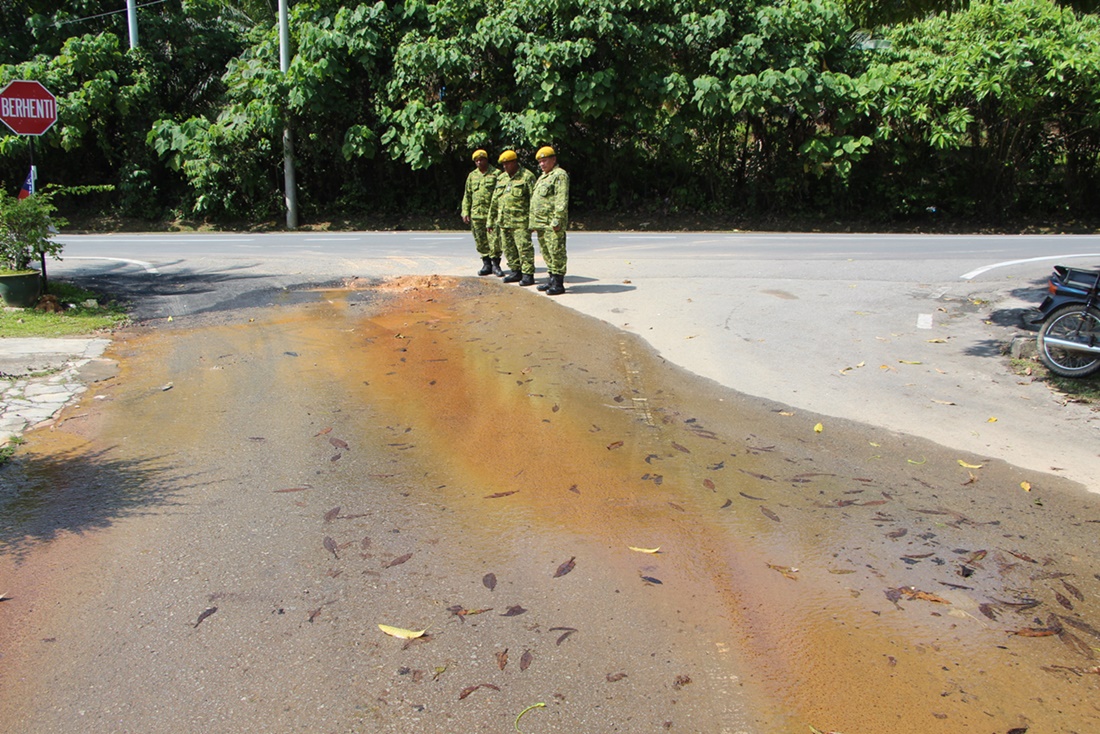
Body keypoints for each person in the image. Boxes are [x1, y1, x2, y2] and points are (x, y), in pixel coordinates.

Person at [488, 150, 538, 286]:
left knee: (524, 248)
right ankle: (516, 271)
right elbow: (495, 200)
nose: (505, 166)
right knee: (508, 248)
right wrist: (490, 220)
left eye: (507, 163)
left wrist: (534, 221)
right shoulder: (502, 178)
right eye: (503, 164)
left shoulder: (527, 176)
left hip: (521, 221)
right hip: (503, 221)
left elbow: (534, 200)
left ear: (515, 162)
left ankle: (528, 274)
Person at [529, 146, 569, 295]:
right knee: (546, 251)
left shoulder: (559, 175)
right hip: (541, 223)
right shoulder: (543, 177)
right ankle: (552, 279)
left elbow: (561, 198)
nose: (542, 164)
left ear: (553, 160)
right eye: (540, 162)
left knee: (556, 251)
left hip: (552, 223)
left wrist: (557, 219)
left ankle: (558, 283)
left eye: (544, 161)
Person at [461, 149, 504, 276]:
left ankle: (496, 264)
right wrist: (465, 211)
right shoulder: (472, 176)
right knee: (480, 240)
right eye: (476, 161)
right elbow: (467, 195)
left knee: (495, 240)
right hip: (476, 214)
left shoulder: (496, 174)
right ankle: (486, 264)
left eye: (481, 160)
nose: (479, 162)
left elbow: (501, 195)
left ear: (486, 160)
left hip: (492, 214)